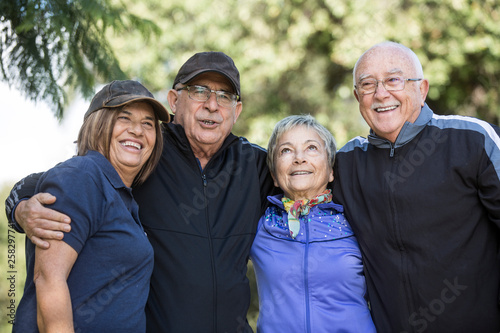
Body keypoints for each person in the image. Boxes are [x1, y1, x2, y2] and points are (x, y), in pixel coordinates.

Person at [5, 52, 275, 332]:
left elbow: (315, 179)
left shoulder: (255, 165)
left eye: (224, 96)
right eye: (199, 91)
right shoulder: (146, 153)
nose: (212, 105)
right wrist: (20, 208)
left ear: (237, 110)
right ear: (174, 100)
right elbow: (49, 183)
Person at [332, 41, 500, 332]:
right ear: (358, 97)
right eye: (368, 84)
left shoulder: (473, 140)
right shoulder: (345, 164)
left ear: (421, 89)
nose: (381, 93)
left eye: (394, 80)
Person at [12, 80, 170, 332]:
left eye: (148, 124)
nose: (137, 131)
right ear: (98, 124)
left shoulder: (122, 196)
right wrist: (18, 208)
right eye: (124, 118)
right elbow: (49, 280)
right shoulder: (82, 176)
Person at [250, 115, 376, 332]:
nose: (299, 158)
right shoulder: (259, 225)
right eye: (286, 150)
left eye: (311, 148)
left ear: (330, 171)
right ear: (274, 176)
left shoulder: (357, 222)